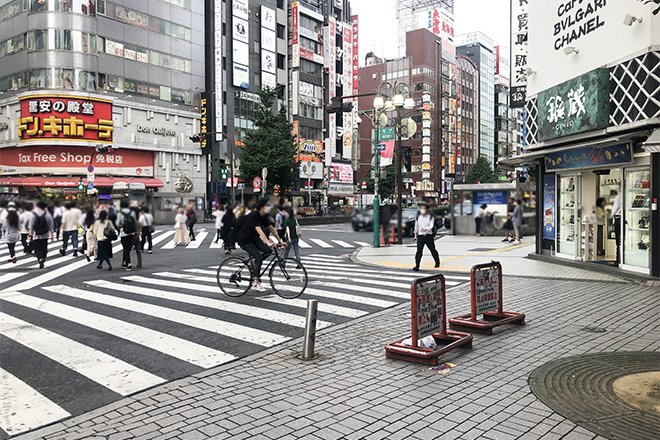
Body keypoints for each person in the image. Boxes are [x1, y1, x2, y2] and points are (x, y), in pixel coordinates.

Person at [235, 198, 284, 292]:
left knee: (268, 251)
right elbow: (259, 230)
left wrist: (280, 241)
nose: (269, 208)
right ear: (261, 207)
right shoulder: (254, 216)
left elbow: (271, 228)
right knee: (259, 258)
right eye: (267, 205)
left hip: (254, 239)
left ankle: (252, 265)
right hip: (245, 240)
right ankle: (255, 282)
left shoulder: (263, 216)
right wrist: (268, 243)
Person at [413, 202, 440, 271]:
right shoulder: (418, 217)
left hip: (428, 236)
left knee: (432, 250)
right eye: (421, 208)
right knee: (419, 251)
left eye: (424, 209)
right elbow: (416, 226)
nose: (422, 210)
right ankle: (417, 265)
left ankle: (437, 262)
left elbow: (431, 225)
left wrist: (426, 229)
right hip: (420, 236)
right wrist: (415, 234)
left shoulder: (430, 217)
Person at [29, 200, 54, 269]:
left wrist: (30, 234)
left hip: (36, 234)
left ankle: (40, 258)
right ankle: (43, 257)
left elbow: (31, 225)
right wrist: (52, 235)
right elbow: (50, 226)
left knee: (37, 248)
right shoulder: (47, 214)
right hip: (45, 234)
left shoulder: (33, 214)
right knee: (44, 248)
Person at [117, 200, 137, 271]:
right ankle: (124, 262)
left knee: (125, 248)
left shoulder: (120, 213)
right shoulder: (132, 212)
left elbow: (118, 223)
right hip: (131, 232)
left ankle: (129, 264)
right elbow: (135, 221)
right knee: (128, 248)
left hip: (124, 233)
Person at [611, 192, 621, 267]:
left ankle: (618, 260)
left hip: (618, 218)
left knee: (618, 241)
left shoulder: (619, 196)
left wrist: (612, 215)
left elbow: (615, 208)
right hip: (624, 219)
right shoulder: (627, 195)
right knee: (622, 241)